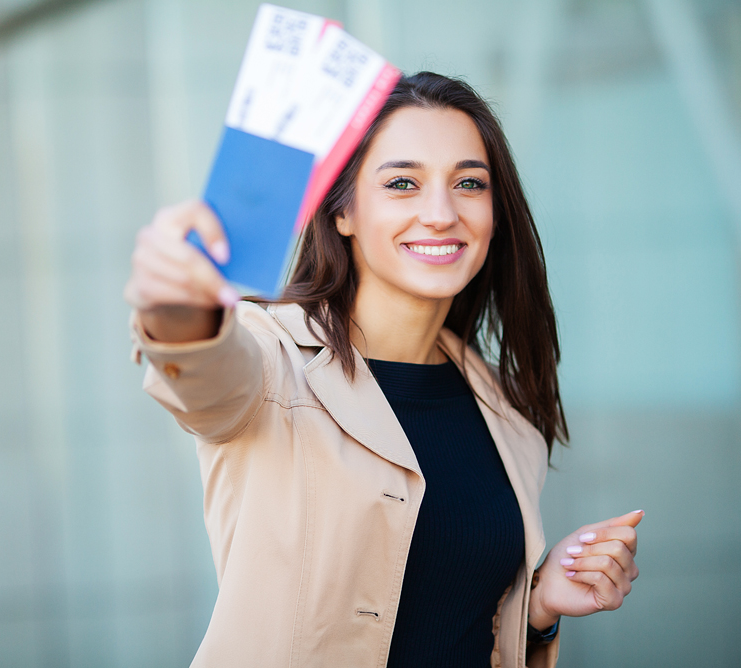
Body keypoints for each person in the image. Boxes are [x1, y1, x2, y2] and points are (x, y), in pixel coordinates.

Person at [124, 72, 642, 668]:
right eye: (402, 183)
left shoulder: (504, 410)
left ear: (495, 214)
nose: (442, 213)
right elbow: (205, 375)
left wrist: (537, 610)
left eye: (469, 183)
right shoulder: (272, 361)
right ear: (342, 213)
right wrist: (178, 306)